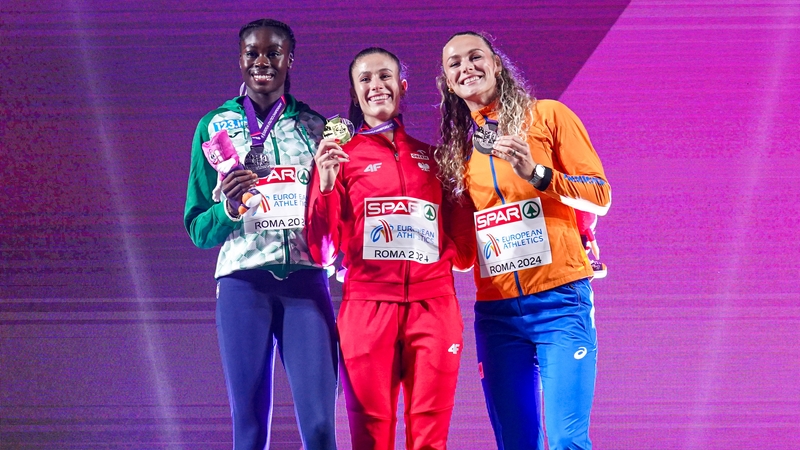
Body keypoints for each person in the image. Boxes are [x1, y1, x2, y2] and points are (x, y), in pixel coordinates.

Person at [435, 31, 612, 450]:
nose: (466, 68)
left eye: (475, 57)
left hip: (560, 302)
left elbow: (599, 195)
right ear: (447, 83)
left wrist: (538, 174)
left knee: (567, 439)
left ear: (496, 64)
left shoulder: (547, 115)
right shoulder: (457, 153)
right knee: (516, 442)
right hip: (497, 314)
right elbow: (463, 254)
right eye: (454, 63)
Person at [305, 47, 471, 450]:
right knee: (370, 438)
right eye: (365, 79)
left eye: (385, 76)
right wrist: (325, 185)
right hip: (367, 310)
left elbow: (465, 253)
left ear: (403, 86)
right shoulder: (338, 160)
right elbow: (322, 253)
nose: (376, 85)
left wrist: (467, 178)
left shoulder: (434, 158)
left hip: (434, 309)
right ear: (354, 92)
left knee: (430, 438)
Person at [183, 19, 337, 450]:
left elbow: (332, 209)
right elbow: (198, 228)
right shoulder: (213, 126)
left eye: (274, 53)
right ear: (240, 59)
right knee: (249, 428)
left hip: (306, 281)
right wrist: (229, 210)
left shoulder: (315, 127)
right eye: (252, 53)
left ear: (290, 59)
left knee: (321, 428)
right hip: (242, 284)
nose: (262, 61)